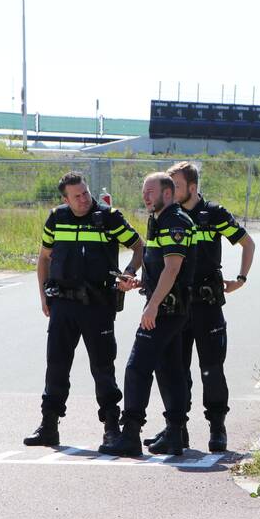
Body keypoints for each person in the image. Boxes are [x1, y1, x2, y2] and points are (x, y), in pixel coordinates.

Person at [25, 172, 143, 449]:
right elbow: (44, 258)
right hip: (63, 304)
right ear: (65, 198)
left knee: (103, 367)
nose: (83, 199)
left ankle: (112, 427)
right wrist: (43, 296)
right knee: (56, 365)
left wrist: (128, 272)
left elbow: (139, 246)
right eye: (76, 196)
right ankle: (49, 425)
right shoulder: (57, 217)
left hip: (98, 303)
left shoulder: (109, 217)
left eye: (86, 193)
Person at [148, 161, 255, 452]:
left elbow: (248, 243)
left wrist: (240, 279)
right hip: (177, 307)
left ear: (192, 188)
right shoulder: (168, 216)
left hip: (206, 306)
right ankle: (176, 429)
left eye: (176, 186)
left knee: (211, 369)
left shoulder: (213, 214)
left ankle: (217, 428)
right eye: (168, 186)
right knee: (176, 371)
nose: (170, 191)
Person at [100, 172, 195, 457]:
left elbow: (173, 268)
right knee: (170, 369)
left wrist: (152, 305)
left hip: (165, 309)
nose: (145, 196)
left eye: (150, 191)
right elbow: (163, 269)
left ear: (167, 193)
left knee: (136, 367)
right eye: (144, 192)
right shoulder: (161, 220)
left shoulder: (175, 221)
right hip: (169, 304)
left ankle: (130, 434)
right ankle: (175, 434)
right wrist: (142, 283)